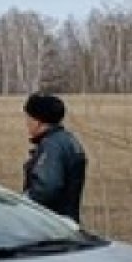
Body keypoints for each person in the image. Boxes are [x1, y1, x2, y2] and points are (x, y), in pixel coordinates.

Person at [22, 93, 87, 223]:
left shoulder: (52, 146)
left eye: (28, 118)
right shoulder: (69, 140)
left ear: (38, 121)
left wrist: (23, 203)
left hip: (51, 225)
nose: (26, 123)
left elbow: (47, 188)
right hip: (68, 221)